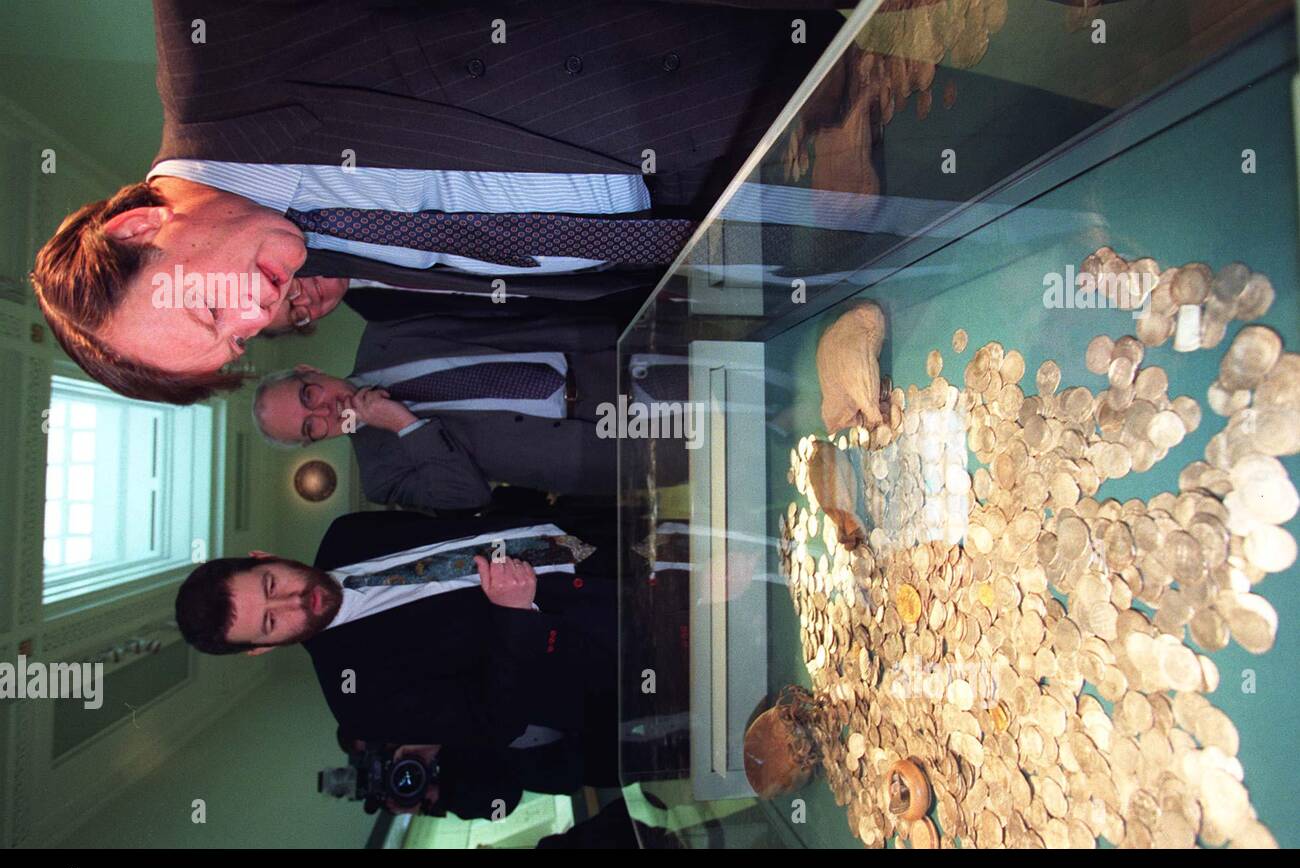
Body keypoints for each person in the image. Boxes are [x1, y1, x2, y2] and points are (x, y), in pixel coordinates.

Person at [30, 0, 843, 403]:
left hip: (743, 84)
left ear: (139, 225)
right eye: (236, 343)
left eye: (210, 312)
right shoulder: (294, 243)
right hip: (710, 237)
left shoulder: (215, 39)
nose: (255, 320)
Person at [174, 510, 620, 782]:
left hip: (606, 537)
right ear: (262, 648)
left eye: (271, 584)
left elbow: (465, 524)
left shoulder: (346, 532)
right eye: (271, 621)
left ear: (262, 557)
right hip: (610, 643)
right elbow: (496, 723)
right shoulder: (359, 705)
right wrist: (515, 616)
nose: (293, 601)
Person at [252, 303, 623, 511]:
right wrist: (405, 426)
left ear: (308, 370)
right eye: (310, 427)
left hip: (600, 351)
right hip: (597, 452)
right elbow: (468, 497)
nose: (325, 412)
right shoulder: (382, 477)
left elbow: (498, 308)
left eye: (308, 397)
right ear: (312, 443)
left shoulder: (385, 329)